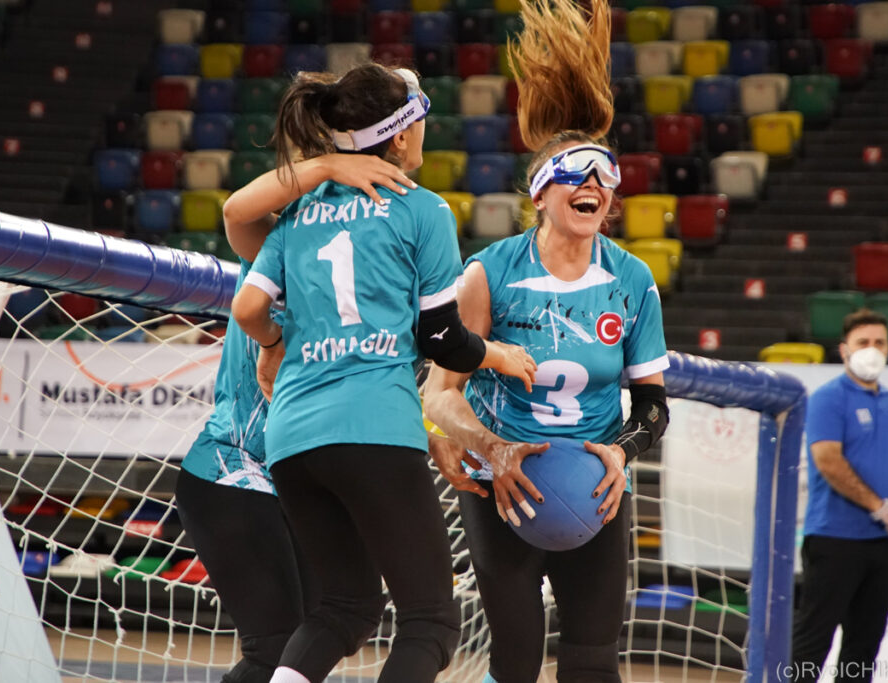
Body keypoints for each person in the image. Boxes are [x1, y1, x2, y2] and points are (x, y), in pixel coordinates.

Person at [228, 64, 537, 683]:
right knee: (430, 623)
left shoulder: (297, 214)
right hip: (375, 427)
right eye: (421, 118)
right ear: (400, 137)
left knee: (343, 610)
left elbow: (247, 308)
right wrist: (499, 355)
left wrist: (272, 344)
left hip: (290, 436)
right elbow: (441, 339)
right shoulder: (422, 209)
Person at [422, 0, 670, 679]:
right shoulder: (490, 273)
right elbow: (439, 392)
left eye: (606, 178)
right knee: (517, 656)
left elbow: (653, 402)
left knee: (593, 657)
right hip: (503, 483)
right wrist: (492, 448)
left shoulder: (632, 279)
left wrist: (621, 452)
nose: (595, 187)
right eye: (579, 176)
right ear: (541, 192)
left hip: (592, 488)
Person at [176, 152, 419, 683]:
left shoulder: (377, 283)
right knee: (276, 649)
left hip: (300, 475)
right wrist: (331, 165)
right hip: (232, 468)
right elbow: (237, 210)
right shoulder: (278, 247)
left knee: (346, 616)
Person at [791, 308, 888, 683]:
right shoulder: (828, 398)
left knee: (863, 650)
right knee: (811, 644)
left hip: (882, 545)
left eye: (879, 343)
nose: (872, 349)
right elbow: (828, 460)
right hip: (834, 538)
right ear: (844, 350)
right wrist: (878, 506)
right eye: (863, 342)